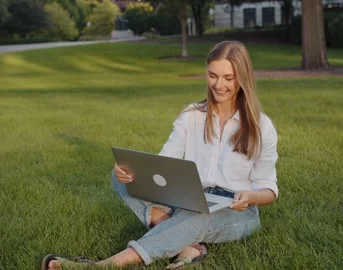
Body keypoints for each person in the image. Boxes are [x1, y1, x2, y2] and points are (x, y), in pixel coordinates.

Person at [42, 40, 279, 269]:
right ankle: (188, 247)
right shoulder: (192, 115)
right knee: (121, 178)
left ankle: (104, 265)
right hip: (190, 199)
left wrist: (250, 197)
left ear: (243, 78)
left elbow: (269, 190)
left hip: (237, 211)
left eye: (229, 77)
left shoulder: (261, 126)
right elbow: (164, 164)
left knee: (199, 217)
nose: (219, 85)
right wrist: (132, 173)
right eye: (212, 75)